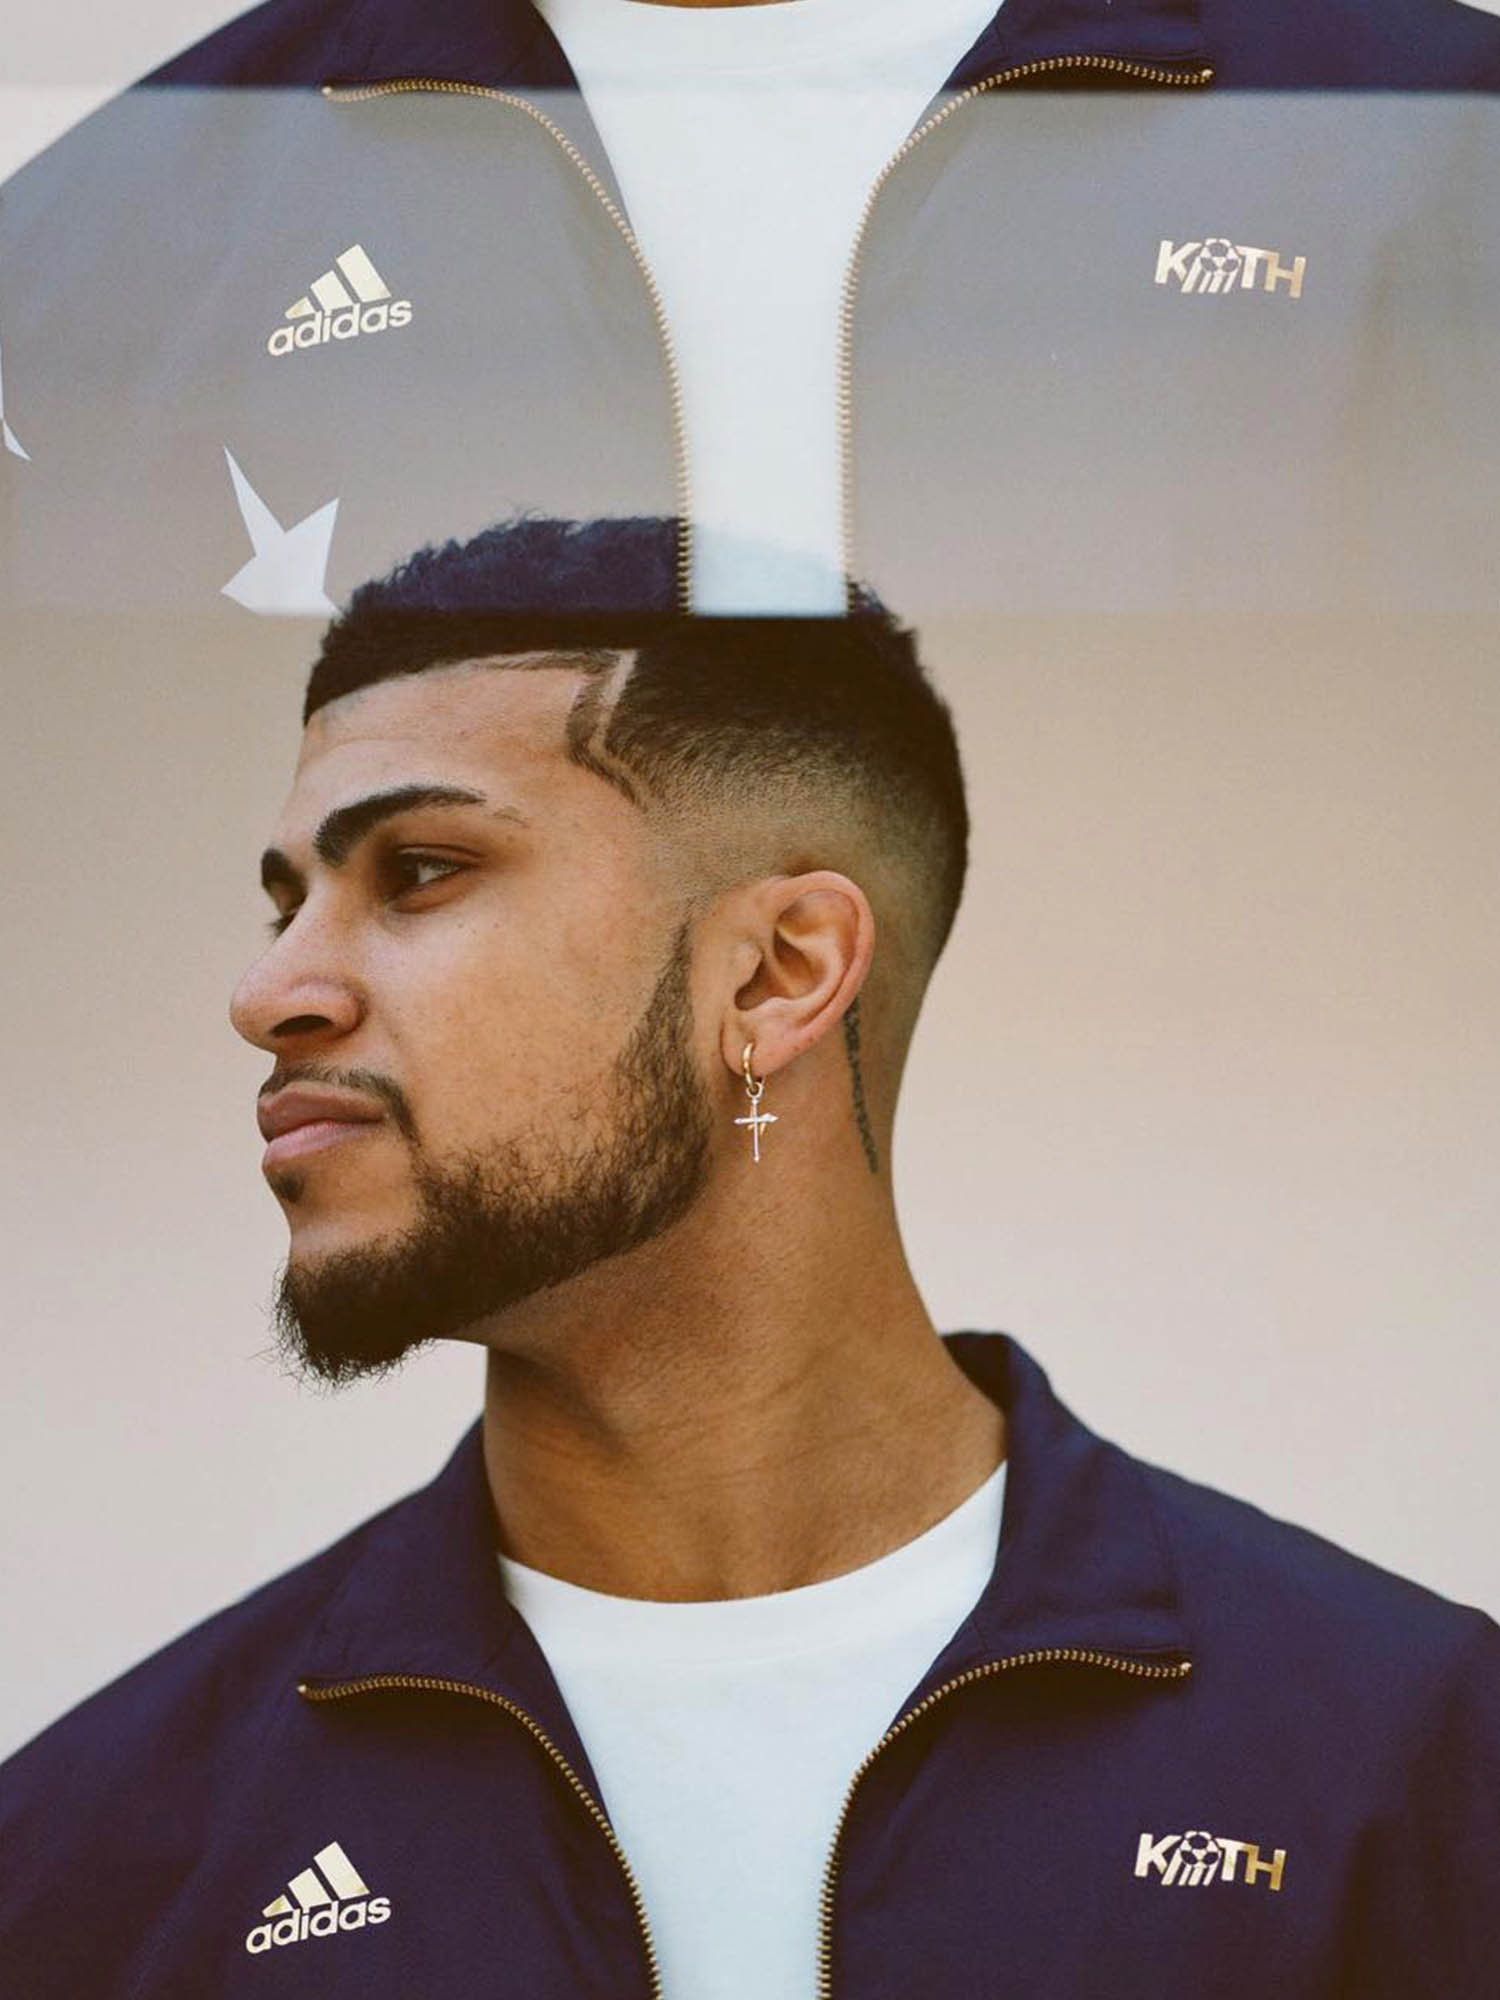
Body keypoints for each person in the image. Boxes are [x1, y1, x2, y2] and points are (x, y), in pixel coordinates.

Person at [2, 514, 1496, 1998]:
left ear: (778, 975)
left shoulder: (1413, 1766)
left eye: (420, 870)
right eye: (287, 903)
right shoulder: (91, 1860)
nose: (269, 992)